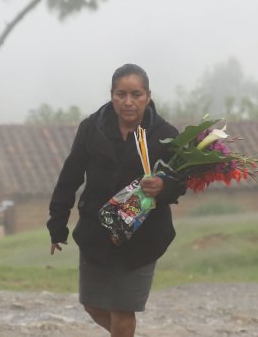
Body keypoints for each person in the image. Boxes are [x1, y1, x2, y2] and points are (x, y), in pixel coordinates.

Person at [47, 63, 186, 337]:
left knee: (123, 310)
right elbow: (70, 177)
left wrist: (163, 187)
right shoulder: (92, 128)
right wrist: (57, 224)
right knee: (93, 305)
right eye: (121, 94)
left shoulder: (164, 134)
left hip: (142, 236)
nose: (128, 102)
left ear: (148, 96)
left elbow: (181, 179)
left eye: (136, 95)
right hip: (97, 231)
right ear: (111, 95)